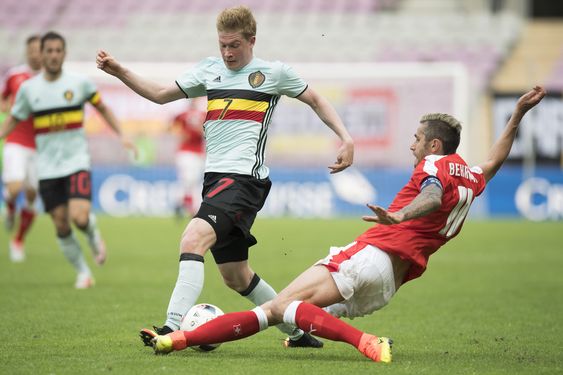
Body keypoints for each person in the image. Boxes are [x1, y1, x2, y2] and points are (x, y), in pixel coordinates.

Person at [140, 86, 546, 363]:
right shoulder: (471, 175)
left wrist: (400, 215)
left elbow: (433, 194)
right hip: (389, 284)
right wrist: (517, 116)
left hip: (372, 256)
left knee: (274, 309)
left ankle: (176, 338)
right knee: (293, 312)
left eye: (417, 138)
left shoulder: (434, 165)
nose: (412, 144)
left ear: (434, 145)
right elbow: (494, 159)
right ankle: (303, 338)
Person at [96, 5, 354, 347]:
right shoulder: (210, 70)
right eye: (223, 45)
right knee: (236, 276)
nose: (228, 52)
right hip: (215, 180)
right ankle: (298, 333)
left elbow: (316, 99)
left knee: (192, 239)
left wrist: (346, 137)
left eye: (234, 45)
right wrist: (119, 71)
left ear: (252, 41)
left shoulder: (273, 73)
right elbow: (160, 95)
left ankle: (171, 329)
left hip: (244, 180)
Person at [0, 31, 135, 288]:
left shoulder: (79, 84)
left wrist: (122, 135)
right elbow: (13, 119)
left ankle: (94, 237)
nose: (52, 55)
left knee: (80, 218)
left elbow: (103, 108)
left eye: (57, 51)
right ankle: (83, 273)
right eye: (48, 51)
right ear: (42, 54)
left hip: (76, 162)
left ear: (64, 53)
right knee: (61, 225)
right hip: (47, 167)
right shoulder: (29, 90)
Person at [1, 35, 42, 262]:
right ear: (27, 52)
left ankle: (18, 239)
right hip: (16, 139)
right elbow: (3, 99)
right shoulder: (15, 75)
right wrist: (7, 108)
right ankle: (9, 208)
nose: (34, 54)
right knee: (15, 188)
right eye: (31, 50)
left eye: (38, 50)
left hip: (41, 145)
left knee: (32, 194)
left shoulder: (50, 79)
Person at [169, 99, 205, 217]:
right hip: (186, 151)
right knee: (188, 179)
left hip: (198, 152)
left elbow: (207, 131)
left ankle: (183, 204)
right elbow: (171, 126)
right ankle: (187, 206)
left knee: (194, 181)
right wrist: (179, 134)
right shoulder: (184, 114)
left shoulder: (202, 115)